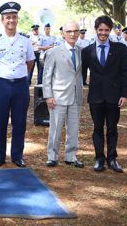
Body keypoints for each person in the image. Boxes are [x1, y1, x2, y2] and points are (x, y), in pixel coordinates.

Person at [0, 2, 35, 168]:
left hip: (20, 85)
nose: (11, 20)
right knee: (0, 122)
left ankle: (17, 156)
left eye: (13, 17)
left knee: (19, 122)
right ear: (2, 20)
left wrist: (19, 76)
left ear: (17, 19)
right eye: (7, 17)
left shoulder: (26, 40)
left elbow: (30, 62)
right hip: (1, 85)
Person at [81, 15, 127, 173]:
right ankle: (99, 158)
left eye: (106, 30)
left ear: (110, 31)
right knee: (97, 128)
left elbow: (126, 73)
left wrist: (125, 94)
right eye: (100, 30)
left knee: (112, 128)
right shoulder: (87, 51)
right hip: (95, 96)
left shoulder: (120, 49)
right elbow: (81, 74)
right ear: (96, 30)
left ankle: (112, 158)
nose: (103, 33)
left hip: (114, 96)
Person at [42, 21, 84, 168]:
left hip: (75, 95)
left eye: (75, 31)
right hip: (57, 97)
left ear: (79, 33)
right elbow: (46, 76)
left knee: (74, 127)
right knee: (55, 128)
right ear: (63, 33)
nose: (72, 34)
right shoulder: (53, 52)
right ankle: (52, 156)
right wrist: (48, 95)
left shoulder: (80, 50)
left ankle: (71, 156)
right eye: (69, 31)